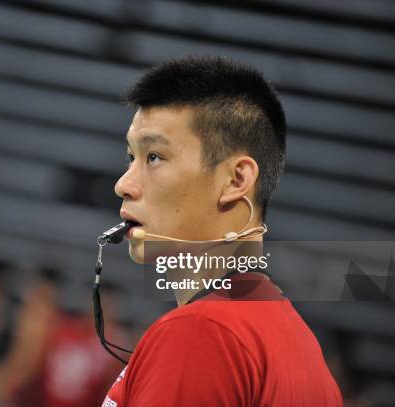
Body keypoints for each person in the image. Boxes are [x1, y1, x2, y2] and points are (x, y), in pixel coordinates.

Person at [102, 56, 343, 406]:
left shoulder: (201, 332)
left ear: (236, 180)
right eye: (130, 157)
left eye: (154, 157)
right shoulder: (299, 344)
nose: (123, 184)